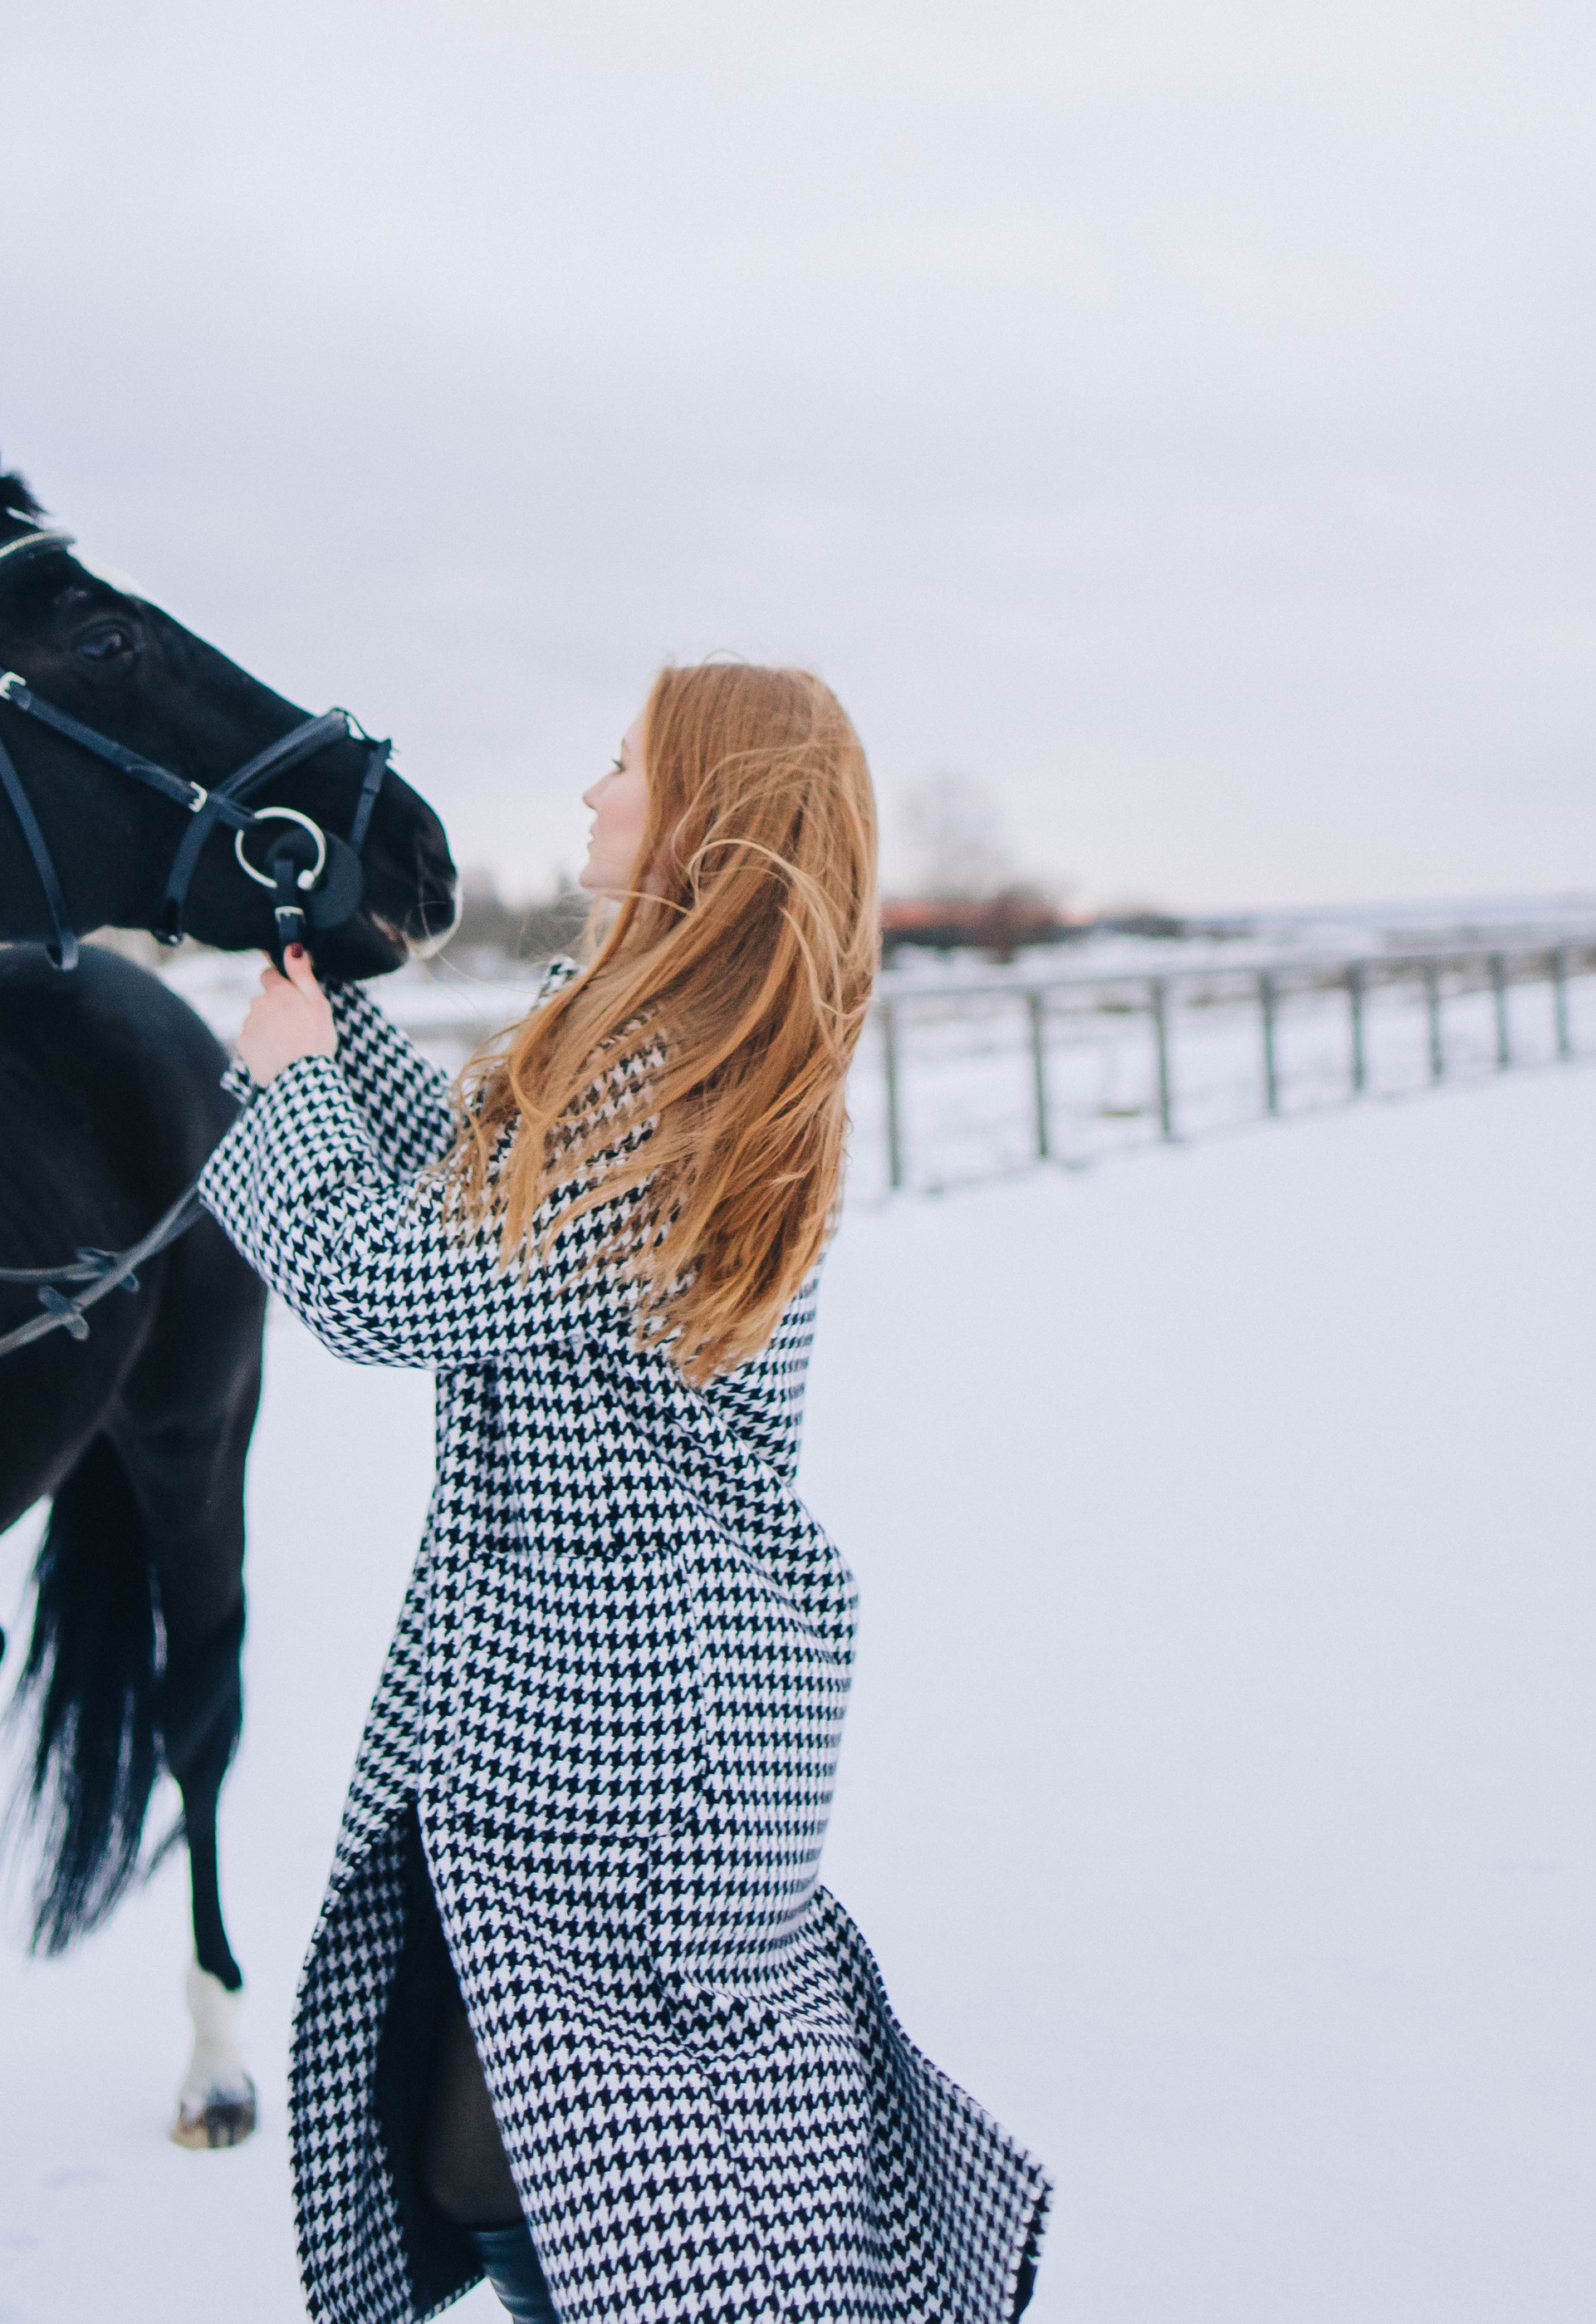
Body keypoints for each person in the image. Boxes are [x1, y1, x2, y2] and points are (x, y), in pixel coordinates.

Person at [200, 660, 1050, 2324]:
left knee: (577, 2166)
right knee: (541, 2149)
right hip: (623, 1689)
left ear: (698, 820)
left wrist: (292, 1077)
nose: (588, 795)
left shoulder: (661, 1078)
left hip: (617, 1718)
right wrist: (328, 1006)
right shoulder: (666, 1047)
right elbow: (476, 1190)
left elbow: (391, 1285)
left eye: (620, 768)